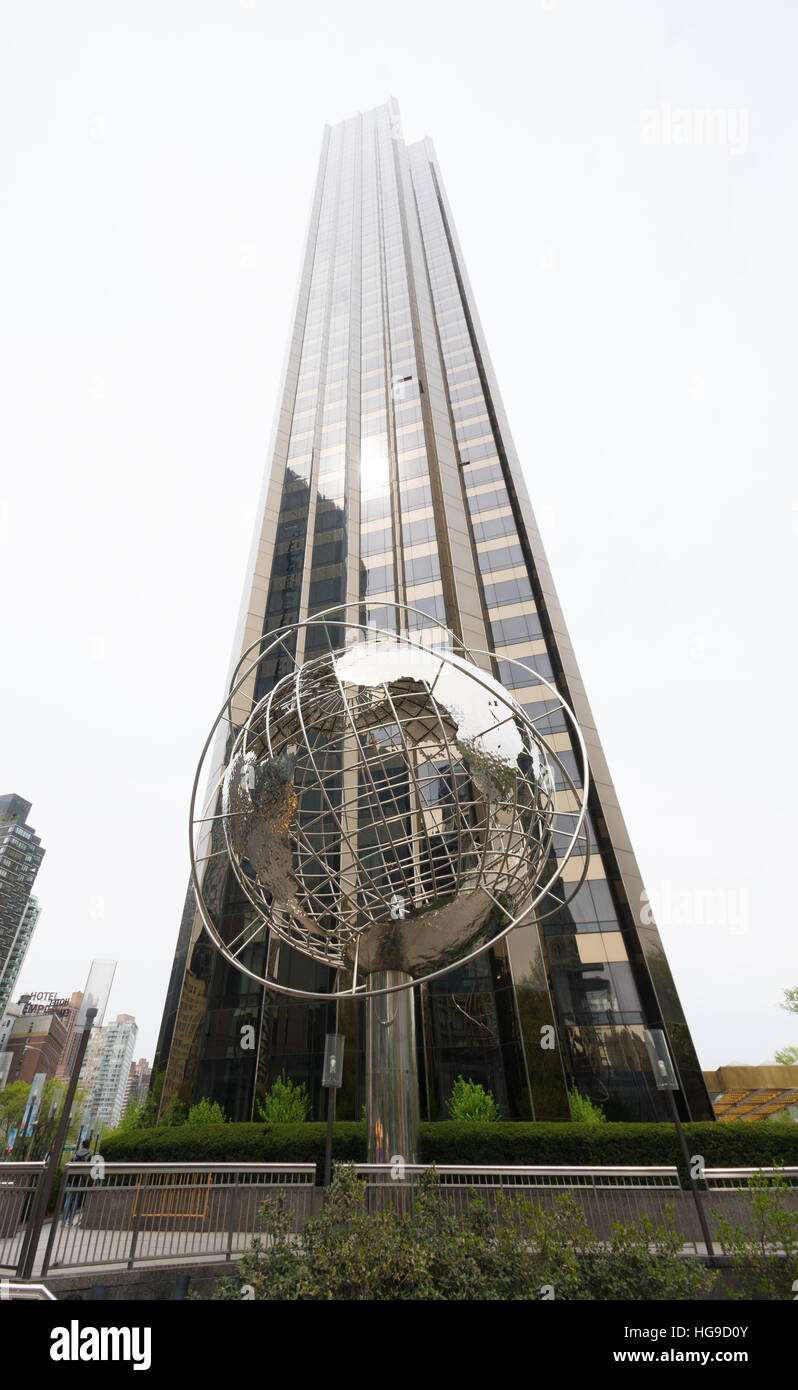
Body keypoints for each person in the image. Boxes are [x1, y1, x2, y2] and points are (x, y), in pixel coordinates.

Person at [61, 1137, 92, 1225]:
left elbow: (70, 1165)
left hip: (71, 1178)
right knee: (76, 1200)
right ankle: (70, 1220)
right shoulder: (89, 1156)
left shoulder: (75, 1154)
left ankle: (63, 1220)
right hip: (80, 1179)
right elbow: (88, 1169)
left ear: (82, 1145)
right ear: (88, 1147)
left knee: (68, 1199)